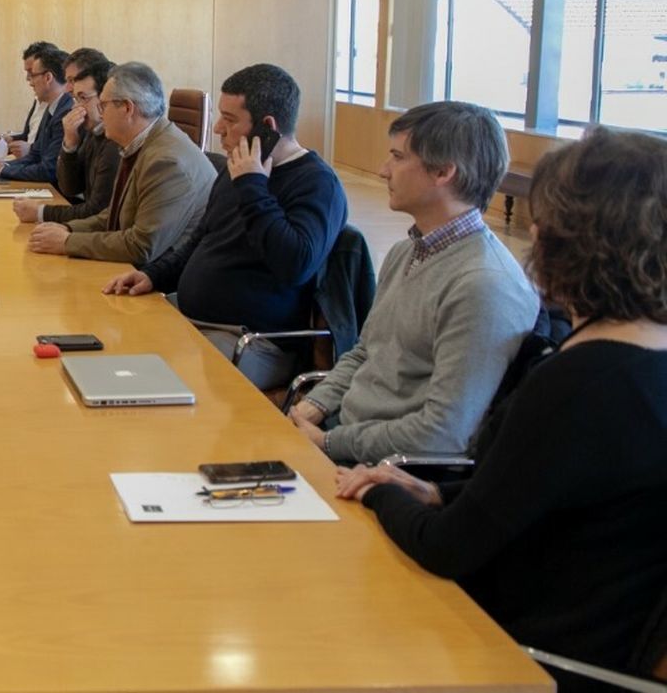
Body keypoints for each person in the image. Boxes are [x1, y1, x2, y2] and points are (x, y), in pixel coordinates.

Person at [334, 128, 667, 691]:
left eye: (545, 218)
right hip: (587, 628)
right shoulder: (638, 358)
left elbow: (447, 548)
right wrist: (439, 492)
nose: (533, 230)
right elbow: (556, 490)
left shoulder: (580, 382)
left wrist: (378, 490)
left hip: (517, 650)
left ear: (574, 238)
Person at [290, 102, 539, 464]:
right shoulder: (406, 251)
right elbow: (365, 352)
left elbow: (443, 433)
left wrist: (329, 443)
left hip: (381, 467)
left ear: (443, 172)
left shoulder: (484, 286)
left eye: (397, 157)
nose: (382, 170)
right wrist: (314, 405)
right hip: (342, 435)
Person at [103, 63, 347, 391]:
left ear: (267, 127)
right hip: (194, 320)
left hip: (253, 340)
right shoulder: (238, 170)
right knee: (110, 341)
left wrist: (253, 187)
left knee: (156, 385)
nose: (218, 128)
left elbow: (295, 264)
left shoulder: (317, 183)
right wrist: (153, 275)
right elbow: (200, 240)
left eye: (230, 120)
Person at [24, 61, 215, 264]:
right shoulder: (142, 142)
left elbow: (141, 246)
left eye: (103, 105)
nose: (100, 113)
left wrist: (68, 242)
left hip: (160, 277)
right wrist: (69, 229)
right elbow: (117, 213)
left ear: (127, 108)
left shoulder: (165, 161)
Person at [12, 53, 116, 225]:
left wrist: (41, 213)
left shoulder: (113, 141)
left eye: (82, 97)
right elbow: (71, 187)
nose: (67, 88)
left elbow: (97, 210)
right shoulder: (92, 130)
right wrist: (70, 144)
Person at [0, 44, 71, 185]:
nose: (30, 82)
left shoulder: (65, 112)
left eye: (32, 75)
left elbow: (49, 170)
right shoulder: (52, 106)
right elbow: (34, 155)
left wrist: (1, 169)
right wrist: (1, 166)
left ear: (48, 78)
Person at [0, 41, 64, 158]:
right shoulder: (39, 98)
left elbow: (48, 158)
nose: (28, 79)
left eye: (32, 72)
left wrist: (1, 169)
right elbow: (30, 136)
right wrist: (10, 140)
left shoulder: (60, 105)